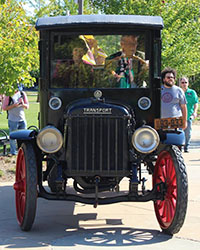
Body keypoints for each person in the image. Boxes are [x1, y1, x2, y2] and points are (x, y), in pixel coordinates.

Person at [2, 87, 29, 155]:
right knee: (13, 138)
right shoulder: (8, 95)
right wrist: (14, 105)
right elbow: (4, 108)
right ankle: (13, 152)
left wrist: (23, 104)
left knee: (24, 137)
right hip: (13, 120)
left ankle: (23, 152)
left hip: (22, 119)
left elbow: (27, 106)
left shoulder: (22, 94)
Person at [180, 76, 199, 152]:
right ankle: (179, 147)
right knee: (179, 133)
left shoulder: (192, 92)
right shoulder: (178, 92)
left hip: (188, 117)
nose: (184, 84)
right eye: (182, 82)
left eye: (185, 82)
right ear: (180, 84)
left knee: (187, 134)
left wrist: (195, 112)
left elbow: (196, 103)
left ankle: (186, 147)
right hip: (179, 117)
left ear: (188, 83)